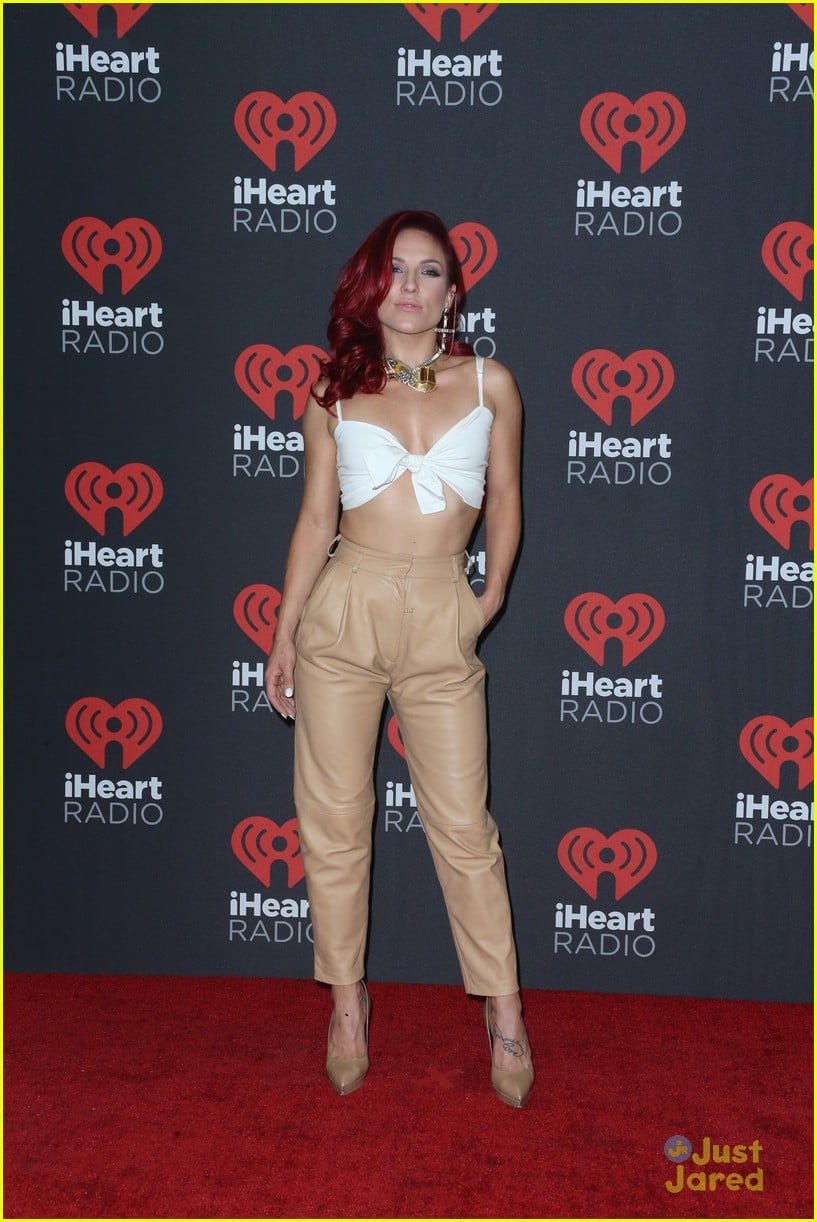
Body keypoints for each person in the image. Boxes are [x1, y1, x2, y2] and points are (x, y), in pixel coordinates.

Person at [264, 210, 533, 1107]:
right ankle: (346, 1006)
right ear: (371, 286)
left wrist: (483, 602)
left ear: (454, 293)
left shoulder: (492, 385)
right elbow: (312, 520)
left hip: (439, 614)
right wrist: (282, 633)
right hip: (344, 609)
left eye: (430, 272)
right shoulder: (333, 390)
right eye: (397, 271)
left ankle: (503, 1014)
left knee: (464, 828)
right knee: (334, 822)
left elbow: (503, 501)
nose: (411, 287)